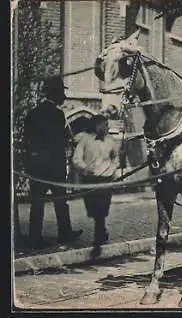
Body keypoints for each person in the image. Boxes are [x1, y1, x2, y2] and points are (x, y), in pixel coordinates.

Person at [24, 76, 83, 248]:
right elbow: (63, 137)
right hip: (55, 165)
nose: (63, 96)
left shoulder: (33, 113)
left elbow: (27, 137)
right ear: (56, 93)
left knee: (37, 202)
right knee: (61, 200)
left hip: (37, 165)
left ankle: (35, 237)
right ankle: (64, 233)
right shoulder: (58, 114)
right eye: (61, 92)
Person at [72, 114, 120, 248]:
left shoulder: (111, 140)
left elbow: (116, 158)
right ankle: (102, 231)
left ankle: (99, 236)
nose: (107, 127)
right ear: (97, 125)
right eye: (105, 124)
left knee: (102, 208)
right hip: (90, 179)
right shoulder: (85, 140)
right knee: (93, 209)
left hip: (106, 180)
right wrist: (85, 168)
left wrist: (113, 167)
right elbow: (76, 159)